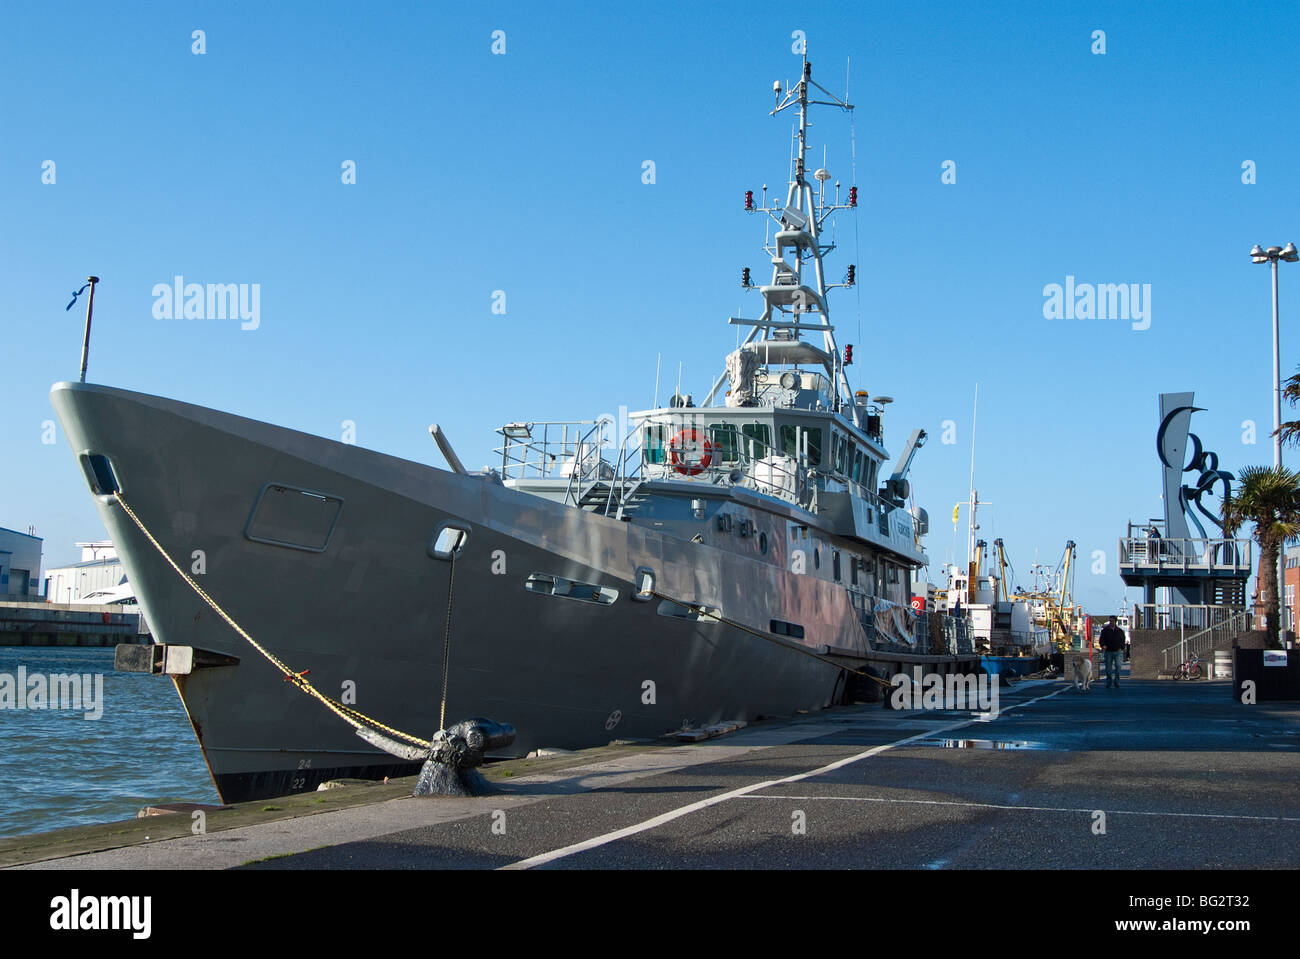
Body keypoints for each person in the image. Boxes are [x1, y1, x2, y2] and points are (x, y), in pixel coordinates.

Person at [1098, 615, 1126, 688]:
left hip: (1118, 652)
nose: (1111, 622)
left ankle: (1117, 682)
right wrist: (1103, 645)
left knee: (1118, 667)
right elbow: (1101, 639)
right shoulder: (1105, 630)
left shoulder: (1120, 631)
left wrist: (1121, 647)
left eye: (1112, 621)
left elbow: (1123, 640)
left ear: (1115, 621)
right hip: (1108, 651)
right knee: (1108, 668)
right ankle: (1109, 682)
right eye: (1110, 621)